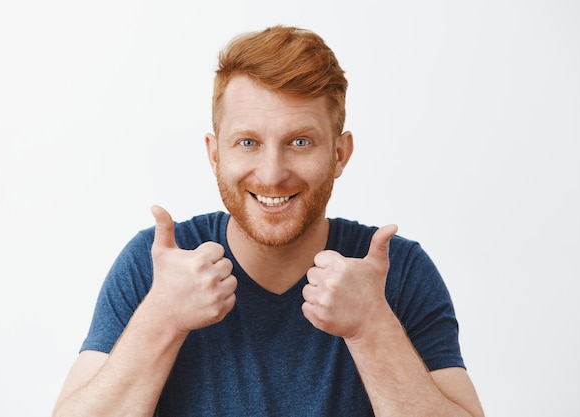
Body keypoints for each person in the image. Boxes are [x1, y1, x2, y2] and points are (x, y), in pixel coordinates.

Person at [52, 25, 484, 417]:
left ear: (339, 154)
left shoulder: (397, 272)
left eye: (300, 141)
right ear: (215, 154)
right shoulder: (157, 265)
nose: (272, 172)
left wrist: (373, 329)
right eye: (247, 142)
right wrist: (161, 318)